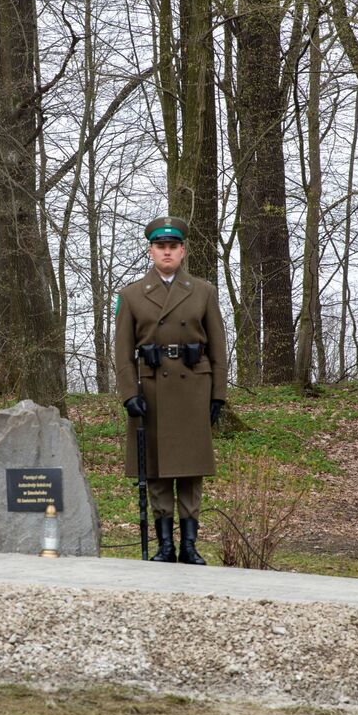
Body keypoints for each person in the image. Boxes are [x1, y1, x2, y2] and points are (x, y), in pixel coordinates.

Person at [114, 216, 228, 564]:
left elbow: (219, 348)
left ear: (183, 251)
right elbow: (122, 352)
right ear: (151, 251)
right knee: (157, 469)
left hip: (194, 387)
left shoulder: (204, 292)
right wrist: (129, 393)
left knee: (191, 469)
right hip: (152, 389)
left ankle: (189, 546)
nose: (167, 252)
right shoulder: (131, 295)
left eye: (173, 246)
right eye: (160, 246)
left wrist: (218, 395)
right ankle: (165, 546)